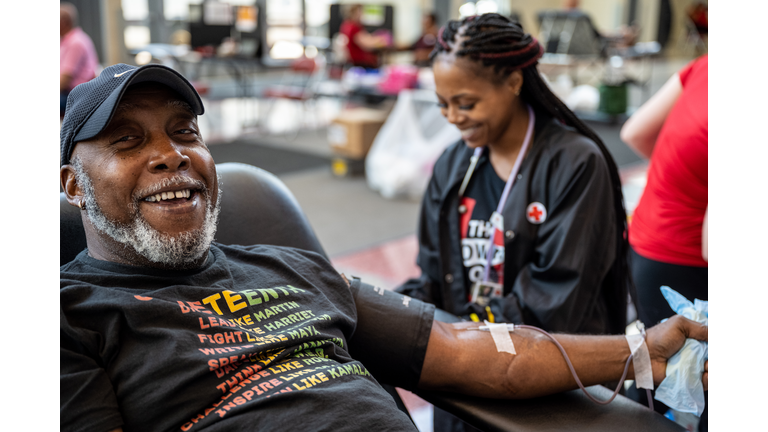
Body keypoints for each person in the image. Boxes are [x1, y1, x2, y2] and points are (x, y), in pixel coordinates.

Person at [59, 63, 707, 432]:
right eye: (127, 141)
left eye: (184, 132)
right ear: (72, 185)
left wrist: (642, 351)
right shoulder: (65, 318)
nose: (170, 155)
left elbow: (464, 349)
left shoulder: (288, 267)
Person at [395, 14, 631, 430]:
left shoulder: (574, 164)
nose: (451, 117)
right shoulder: (453, 165)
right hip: (465, 382)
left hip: (549, 389)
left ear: (514, 83)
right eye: (442, 104)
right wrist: (385, 315)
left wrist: (453, 342)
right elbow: (434, 276)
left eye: (465, 103)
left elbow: (554, 305)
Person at [619, 54, 708, 428]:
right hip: (683, 258)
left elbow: (634, 133)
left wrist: (687, 177)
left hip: (644, 237)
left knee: (651, 369)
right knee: (699, 380)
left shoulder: (706, 65)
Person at [60, 2, 99, 118]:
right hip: (69, 92)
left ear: (64, 22)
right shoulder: (67, 41)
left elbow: (66, 78)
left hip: (76, 95)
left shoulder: (75, 42)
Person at [338, 4, 389, 69]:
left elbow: (365, 38)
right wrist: (381, 40)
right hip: (360, 62)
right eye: (360, 11)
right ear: (355, 12)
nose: (362, 14)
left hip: (353, 60)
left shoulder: (345, 25)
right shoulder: (352, 27)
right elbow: (366, 44)